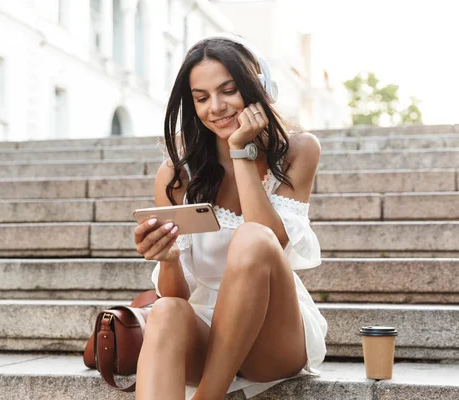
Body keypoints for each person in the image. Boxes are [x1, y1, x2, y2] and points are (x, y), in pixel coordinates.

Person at [133, 33, 328, 400]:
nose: (217, 107)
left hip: (274, 336)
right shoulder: (177, 175)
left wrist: (240, 151)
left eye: (229, 91)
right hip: (204, 329)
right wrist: (168, 257)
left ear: (258, 88)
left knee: (253, 238)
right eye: (202, 98)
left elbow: (273, 238)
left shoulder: (298, 150)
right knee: (166, 311)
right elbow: (177, 294)